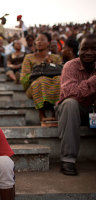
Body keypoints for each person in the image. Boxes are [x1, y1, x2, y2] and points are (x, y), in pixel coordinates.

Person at [55, 34, 96, 176]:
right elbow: (71, 93)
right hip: (74, 110)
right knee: (70, 103)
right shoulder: (70, 66)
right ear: (79, 50)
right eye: (85, 48)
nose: (89, 52)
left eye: (94, 49)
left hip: (93, 110)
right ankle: (68, 160)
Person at [20, 32, 62, 126]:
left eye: (42, 40)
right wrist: (41, 68)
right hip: (33, 87)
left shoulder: (56, 58)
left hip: (53, 84)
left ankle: (55, 114)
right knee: (41, 81)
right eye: (37, 40)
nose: (39, 42)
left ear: (49, 42)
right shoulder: (29, 57)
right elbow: (24, 78)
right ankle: (42, 115)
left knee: (59, 80)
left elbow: (62, 73)